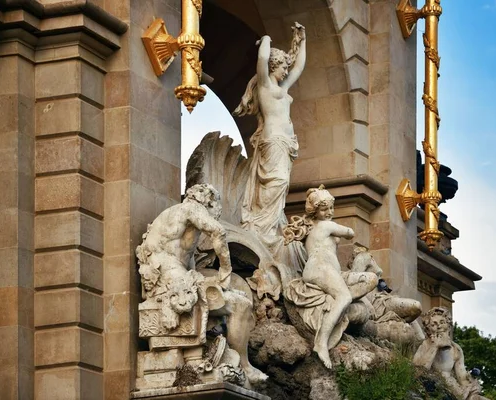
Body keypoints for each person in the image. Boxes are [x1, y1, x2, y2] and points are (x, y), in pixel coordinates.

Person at [136, 184, 267, 383]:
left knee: (234, 297)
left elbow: (189, 270)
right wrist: (225, 270)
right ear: (209, 201)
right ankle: (246, 367)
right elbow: (219, 232)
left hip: (167, 279)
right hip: (172, 284)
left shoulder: (174, 218)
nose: (216, 215)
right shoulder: (192, 208)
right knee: (241, 305)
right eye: (216, 210)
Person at [284, 186, 378, 368]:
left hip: (328, 271)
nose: (329, 212)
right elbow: (350, 233)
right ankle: (321, 343)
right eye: (324, 209)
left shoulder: (314, 228)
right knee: (344, 297)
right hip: (320, 268)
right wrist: (336, 227)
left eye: (331, 208)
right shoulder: (326, 226)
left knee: (370, 279)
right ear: (315, 211)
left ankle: (339, 308)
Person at [233, 22, 306, 239]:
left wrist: (303, 40)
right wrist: (265, 40)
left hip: (285, 143)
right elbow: (262, 60)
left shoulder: (282, 89)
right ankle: (261, 227)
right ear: (274, 65)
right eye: (283, 67)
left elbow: (299, 67)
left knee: (282, 184)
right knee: (277, 181)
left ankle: (270, 226)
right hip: (273, 140)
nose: (286, 71)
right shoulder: (265, 86)